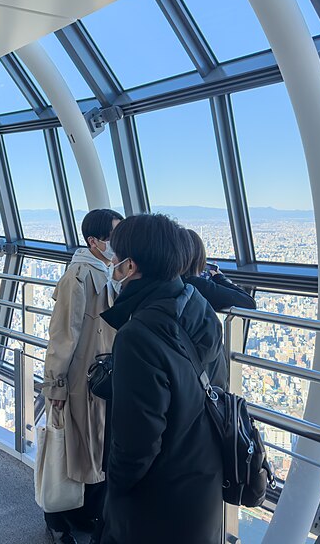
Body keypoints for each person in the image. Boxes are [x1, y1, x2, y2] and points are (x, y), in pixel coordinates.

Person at [100, 214, 226, 544]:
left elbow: (136, 442)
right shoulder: (198, 308)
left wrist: (116, 489)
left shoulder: (138, 335)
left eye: (116, 255)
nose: (112, 262)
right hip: (202, 485)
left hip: (158, 500)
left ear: (131, 265)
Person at [42, 209, 122, 544]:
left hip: (98, 379)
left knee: (91, 449)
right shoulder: (77, 276)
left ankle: (83, 512)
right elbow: (62, 337)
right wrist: (55, 386)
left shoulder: (107, 272)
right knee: (69, 449)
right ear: (94, 241)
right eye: (113, 237)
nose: (117, 244)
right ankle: (57, 516)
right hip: (77, 382)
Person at [182, 228, 256, 312]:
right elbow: (249, 303)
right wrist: (221, 279)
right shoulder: (199, 286)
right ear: (199, 259)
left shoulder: (168, 283)